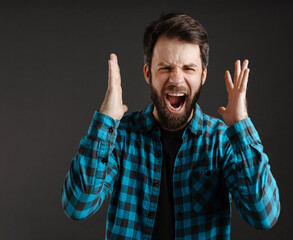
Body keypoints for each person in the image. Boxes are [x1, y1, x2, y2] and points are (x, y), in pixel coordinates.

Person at [61, 13, 280, 240]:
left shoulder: (223, 141)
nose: (176, 79)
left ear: (203, 76)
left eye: (188, 68)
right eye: (165, 68)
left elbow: (264, 215)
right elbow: (77, 206)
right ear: (148, 73)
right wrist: (106, 119)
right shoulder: (120, 136)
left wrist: (241, 126)